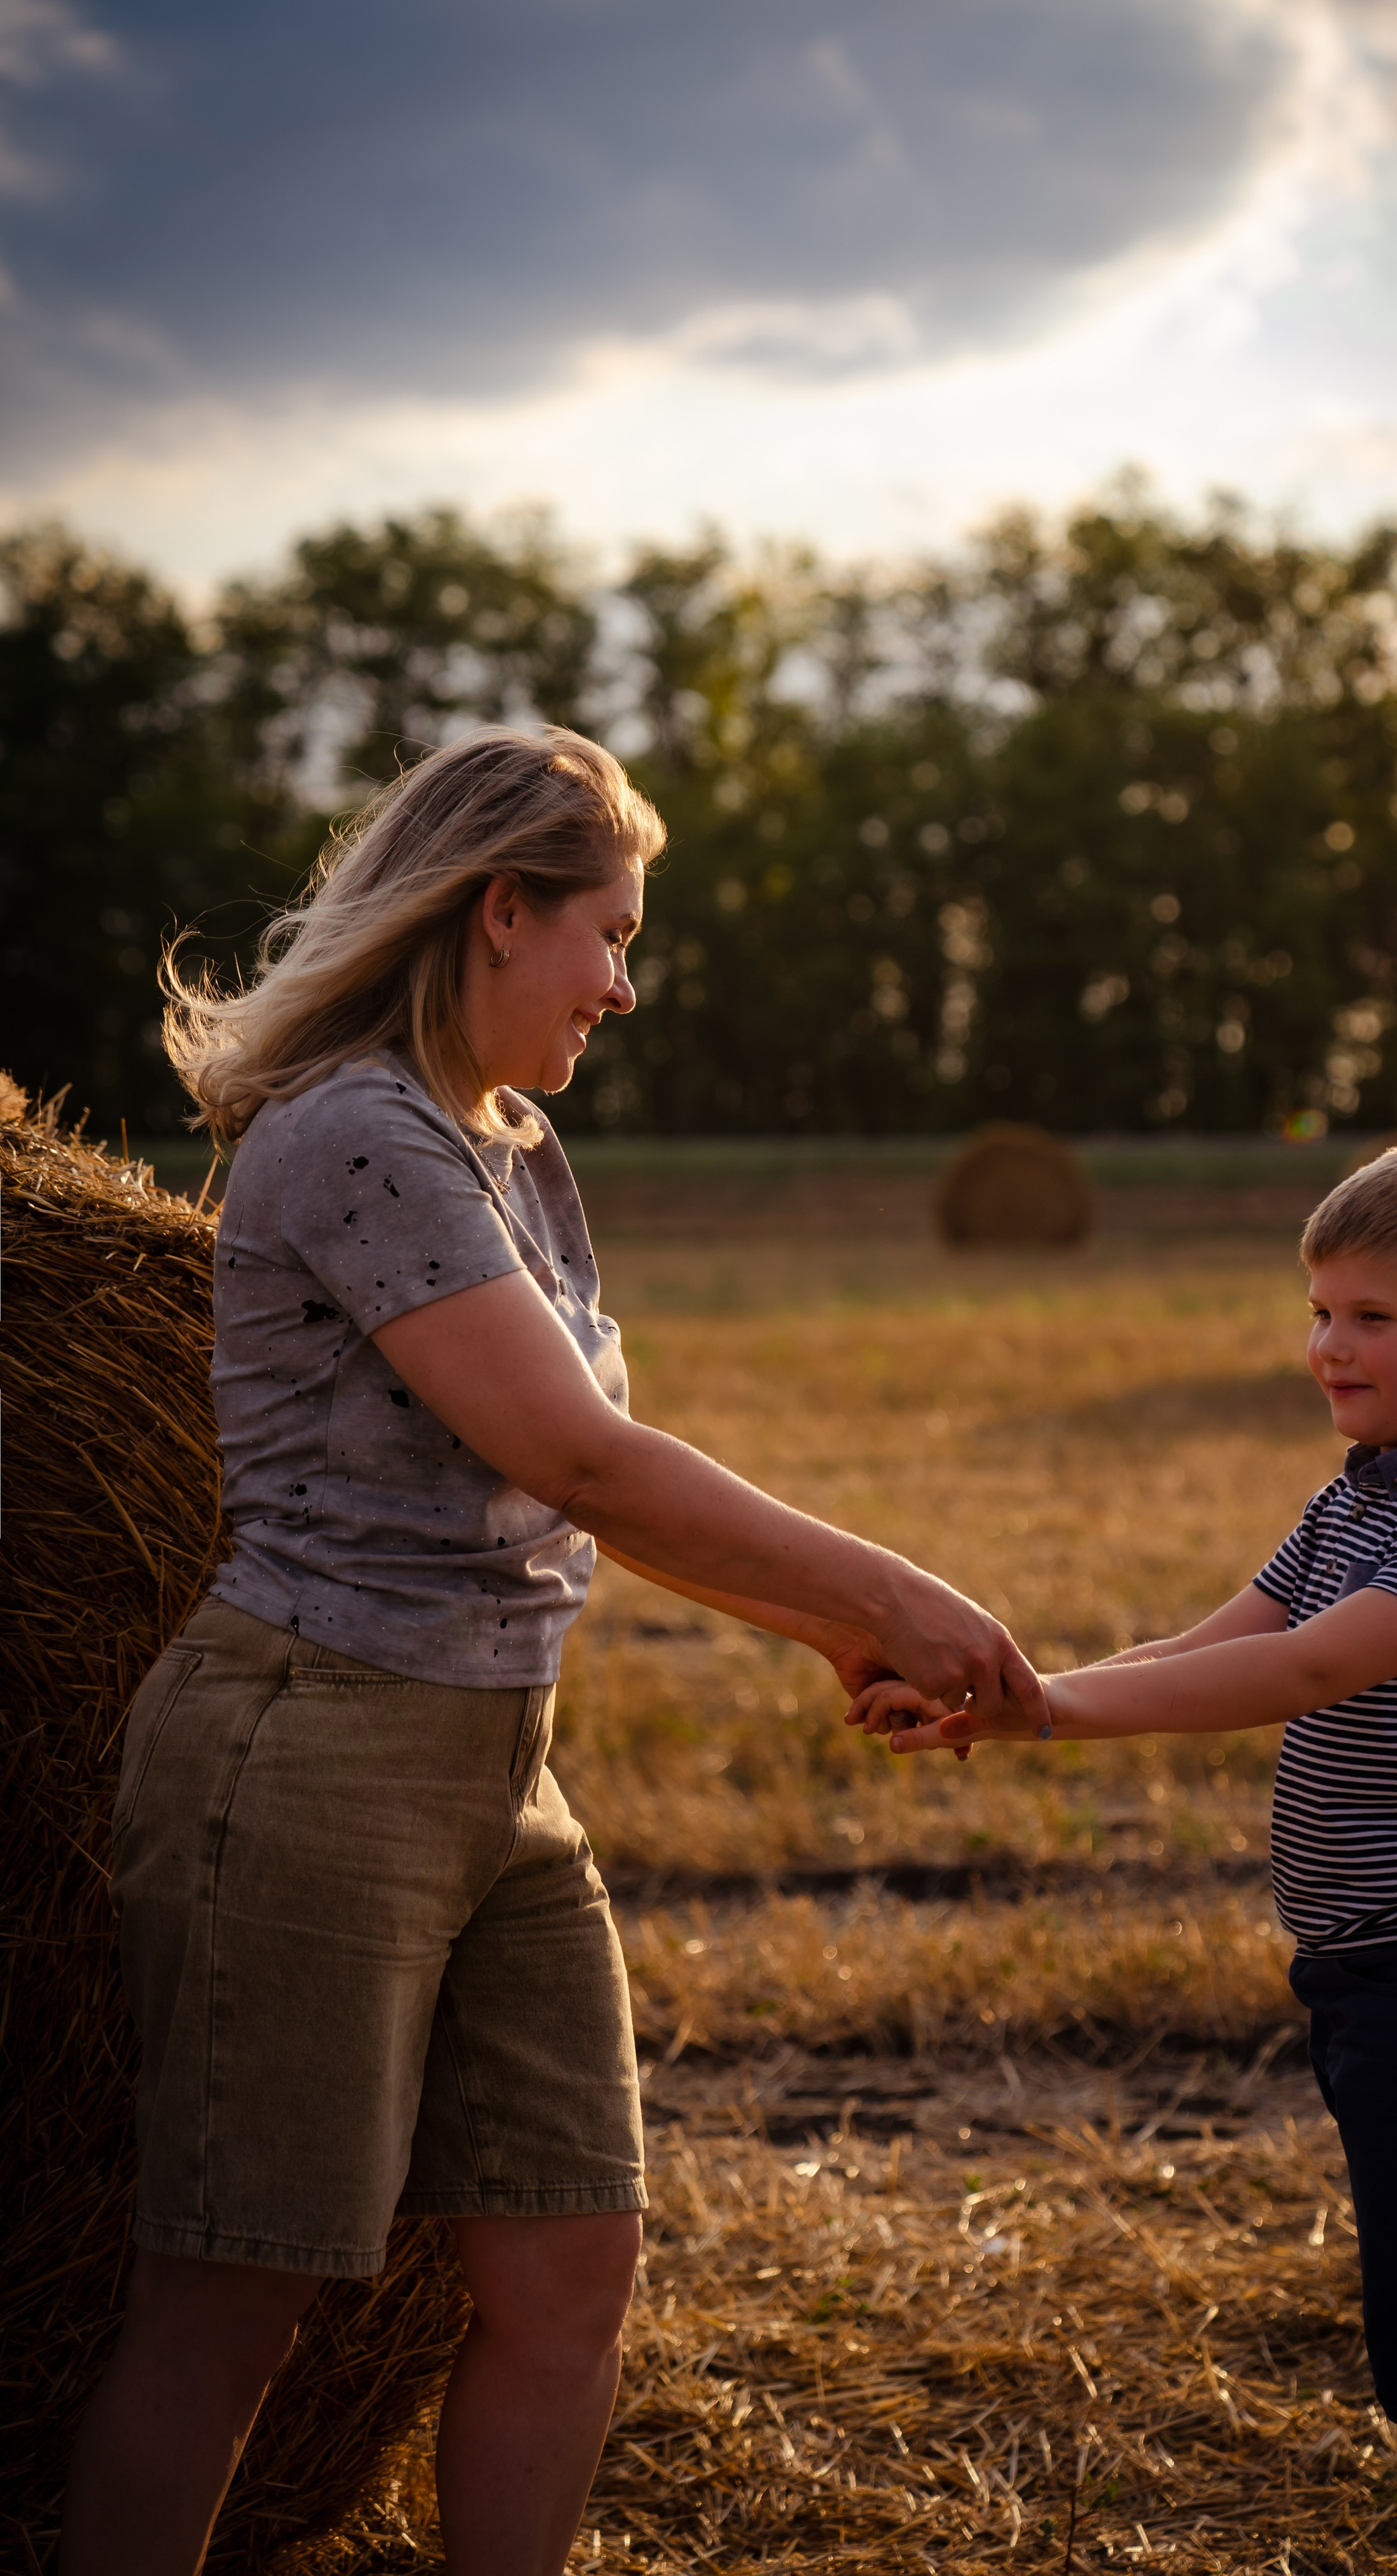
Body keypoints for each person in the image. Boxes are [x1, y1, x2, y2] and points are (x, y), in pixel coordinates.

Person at [63, 725, 1045, 2576]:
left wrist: (820, 1632)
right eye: (607, 932)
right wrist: (885, 1591)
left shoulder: (510, 1144)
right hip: (312, 1750)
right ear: (499, 911)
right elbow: (578, 1448)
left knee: (572, 2263)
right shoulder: (355, 1130)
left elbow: (575, 1504)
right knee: (236, 2302)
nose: (623, 982)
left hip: (501, 1768)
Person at [849, 1142, 1397, 2576]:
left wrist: (1048, 1711)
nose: (1325, 1345)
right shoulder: (1364, 1496)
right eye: (1317, 1311)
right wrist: (1005, 1707)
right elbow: (1213, 1643)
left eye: (1369, 1318)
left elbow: (1303, 1672)